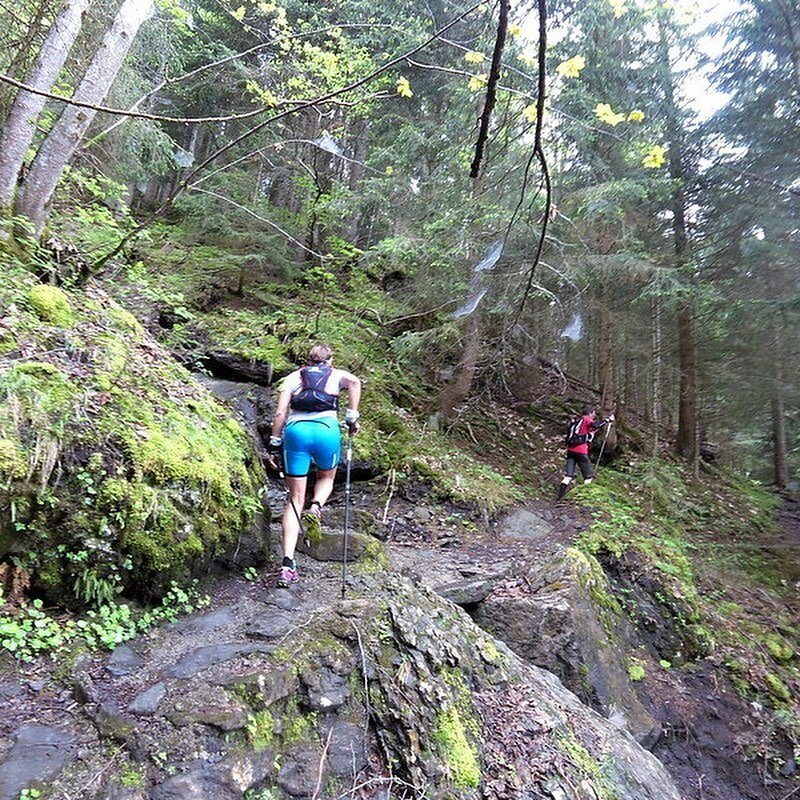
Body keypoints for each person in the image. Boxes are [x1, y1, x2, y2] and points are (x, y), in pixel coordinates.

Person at [267, 344, 361, 588]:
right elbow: (355, 382)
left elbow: (280, 413)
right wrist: (352, 416)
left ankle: (287, 564)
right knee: (326, 478)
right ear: (331, 359)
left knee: (294, 499)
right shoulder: (337, 375)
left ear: (307, 360)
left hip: (296, 432)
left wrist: (275, 444)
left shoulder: (292, 378)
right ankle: (317, 506)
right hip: (327, 431)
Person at [556, 404, 614, 502]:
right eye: (594, 413)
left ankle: (558, 499)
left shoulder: (577, 421)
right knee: (588, 477)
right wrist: (607, 421)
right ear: (590, 413)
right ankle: (583, 499)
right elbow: (596, 425)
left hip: (570, 451)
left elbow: (590, 430)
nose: (594, 416)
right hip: (580, 452)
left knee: (568, 476)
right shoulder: (587, 420)